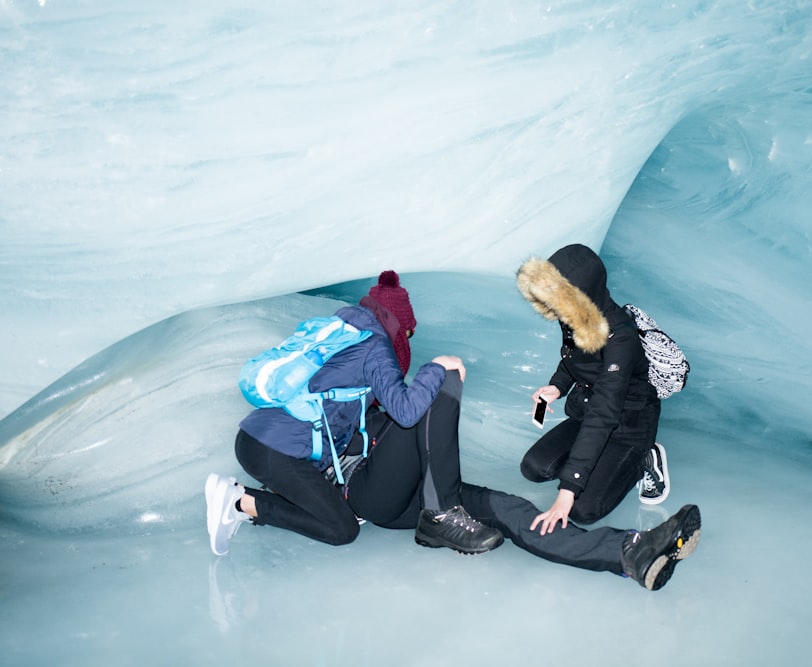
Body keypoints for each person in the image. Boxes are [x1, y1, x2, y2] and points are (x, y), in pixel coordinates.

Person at [206, 269, 702, 591]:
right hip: (371, 488)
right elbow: (391, 415)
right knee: (444, 378)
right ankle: (442, 514)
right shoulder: (360, 362)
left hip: (410, 487)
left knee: (507, 508)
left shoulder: (364, 378)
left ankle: (628, 552)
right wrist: (437, 371)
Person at [516, 243, 669, 531]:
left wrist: (567, 491)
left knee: (583, 510)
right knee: (535, 468)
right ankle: (598, 465)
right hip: (588, 411)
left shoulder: (621, 339)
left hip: (627, 423)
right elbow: (575, 360)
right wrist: (557, 387)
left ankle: (644, 458)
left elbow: (604, 413)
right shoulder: (576, 319)